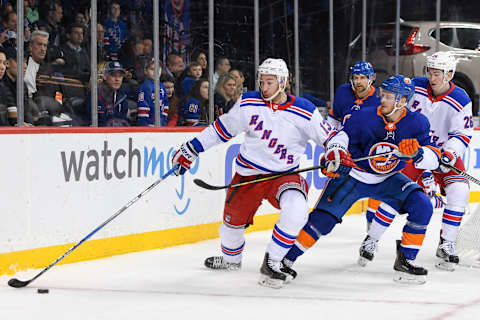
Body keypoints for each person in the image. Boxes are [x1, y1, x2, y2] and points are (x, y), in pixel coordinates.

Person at [171, 58, 343, 288]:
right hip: (248, 174)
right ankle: (231, 259)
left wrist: (334, 151)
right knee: (231, 226)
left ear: (282, 82)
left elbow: (332, 136)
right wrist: (192, 148)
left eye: (270, 82)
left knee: (297, 211)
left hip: (284, 175)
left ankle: (272, 262)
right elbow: (220, 129)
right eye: (262, 81)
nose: (264, 87)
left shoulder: (303, 110)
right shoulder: (248, 102)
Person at [282, 75, 441, 285]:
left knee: (422, 205)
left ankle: (405, 261)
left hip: (388, 178)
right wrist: (336, 151)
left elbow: (433, 157)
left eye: (388, 96)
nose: (381, 99)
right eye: (382, 94)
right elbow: (340, 137)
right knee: (322, 222)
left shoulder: (418, 123)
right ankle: (285, 260)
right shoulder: (362, 117)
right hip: (354, 175)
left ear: (402, 101)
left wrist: (419, 154)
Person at [360, 52, 473, 271]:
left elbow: (463, 132)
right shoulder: (415, 87)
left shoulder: (461, 99)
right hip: (411, 151)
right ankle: (371, 239)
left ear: (449, 74)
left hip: (442, 154)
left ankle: (446, 243)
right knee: (394, 195)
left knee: (459, 190)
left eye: (438, 73)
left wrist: (450, 152)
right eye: (430, 71)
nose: (432, 76)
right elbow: (395, 108)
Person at [329, 62, 382, 228]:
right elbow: (334, 119)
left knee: (377, 183)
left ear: (371, 79)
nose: (358, 82)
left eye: (363, 78)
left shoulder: (379, 99)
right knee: (338, 184)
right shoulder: (343, 92)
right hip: (345, 146)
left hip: (368, 148)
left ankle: (372, 221)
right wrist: (331, 141)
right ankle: (330, 214)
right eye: (356, 78)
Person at [87, 61, 130, 126]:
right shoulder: (95, 95)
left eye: (120, 76)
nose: (117, 79)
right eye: (113, 75)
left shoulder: (122, 96)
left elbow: (125, 122)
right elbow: (95, 124)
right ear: (104, 76)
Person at [137, 59, 169, 126]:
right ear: (146, 71)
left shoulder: (162, 86)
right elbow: (143, 108)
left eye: (158, 68)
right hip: (149, 125)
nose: (156, 72)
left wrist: (163, 122)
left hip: (160, 124)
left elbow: (165, 104)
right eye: (152, 69)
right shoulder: (145, 87)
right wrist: (145, 126)